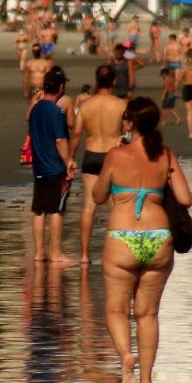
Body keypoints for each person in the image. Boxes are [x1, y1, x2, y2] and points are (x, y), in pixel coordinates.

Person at [96, 96, 192, 383]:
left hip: (122, 238)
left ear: (131, 122)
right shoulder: (165, 155)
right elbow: (186, 199)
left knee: (116, 309)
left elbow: (99, 196)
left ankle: (126, 356)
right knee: (147, 314)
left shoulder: (115, 155)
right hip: (158, 237)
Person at [75, 63, 128, 265]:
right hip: (112, 156)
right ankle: (115, 253)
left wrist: (70, 157)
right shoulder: (121, 104)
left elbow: (77, 133)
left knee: (89, 206)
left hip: (91, 155)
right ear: (114, 81)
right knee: (116, 207)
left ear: (96, 80)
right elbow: (127, 131)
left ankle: (84, 256)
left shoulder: (85, 105)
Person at [26, 65, 74, 264]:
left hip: (39, 166)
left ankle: (39, 253)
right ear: (61, 87)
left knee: (39, 209)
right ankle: (55, 253)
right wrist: (68, 161)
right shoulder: (56, 112)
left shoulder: (35, 110)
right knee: (56, 209)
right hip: (54, 166)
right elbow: (60, 140)